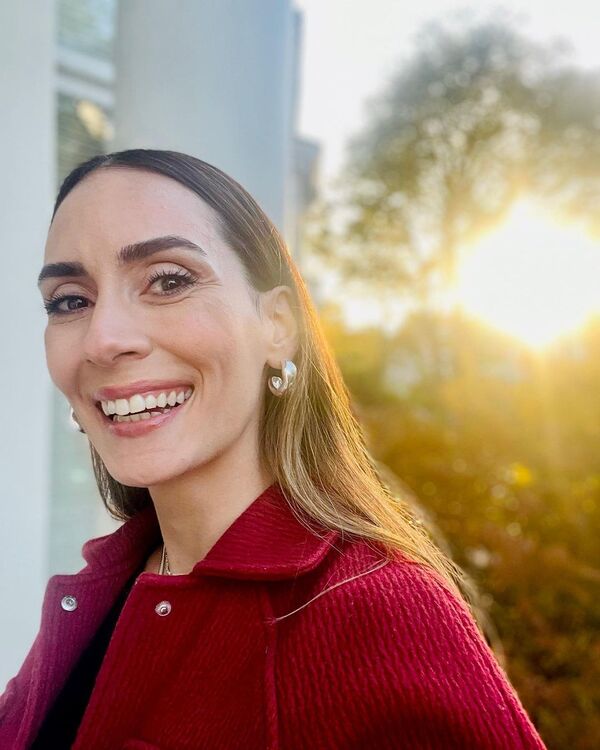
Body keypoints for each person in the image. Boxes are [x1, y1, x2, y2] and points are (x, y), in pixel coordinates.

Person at [0, 149, 548, 749]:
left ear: (278, 324)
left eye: (168, 281)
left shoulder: (378, 612)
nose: (104, 339)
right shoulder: (100, 589)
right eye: (70, 301)